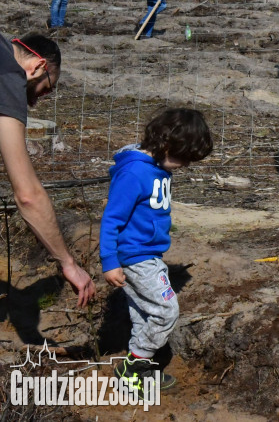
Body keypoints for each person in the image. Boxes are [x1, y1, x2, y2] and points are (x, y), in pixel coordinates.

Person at [100, 108, 213, 392]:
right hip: (136, 256)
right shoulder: (135, 173)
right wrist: (109, 261)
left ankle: (140, 374)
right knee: (166, 311)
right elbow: (112, 218)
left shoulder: (156, 167)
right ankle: (133, 366)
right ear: (165, 145)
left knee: (143, 314)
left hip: (149, 253)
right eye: (183, 158)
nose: (185, 165)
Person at [0, 32, 95, 306]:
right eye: (45, 89)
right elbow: (27, 194)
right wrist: (68, 263)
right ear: (38, 67)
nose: (33, 102)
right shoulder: (9, 75)